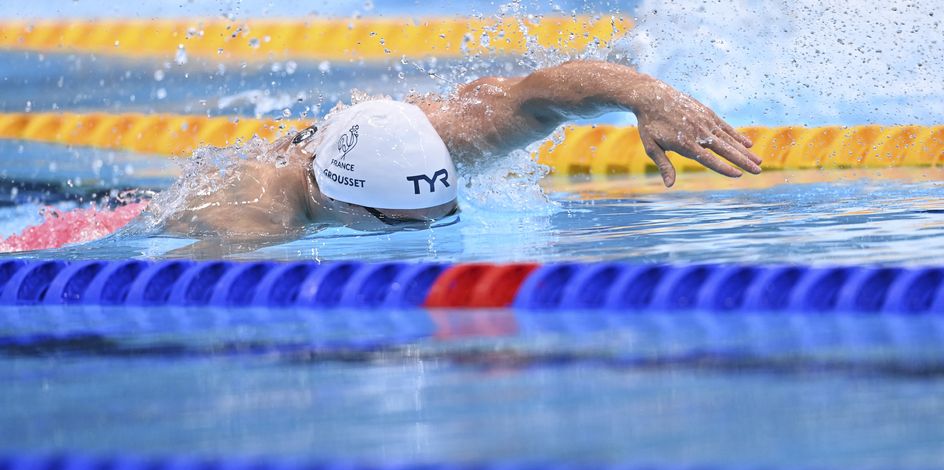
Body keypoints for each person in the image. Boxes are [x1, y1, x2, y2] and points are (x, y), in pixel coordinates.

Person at [159, 60, 761, 242]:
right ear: (338, 202)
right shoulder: (253, 222)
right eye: (398, 228)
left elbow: (539, 96)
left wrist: (648, 97)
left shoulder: (441, 139)